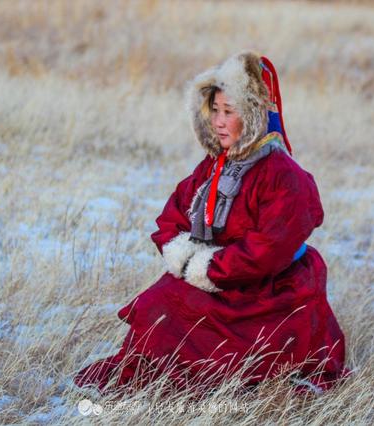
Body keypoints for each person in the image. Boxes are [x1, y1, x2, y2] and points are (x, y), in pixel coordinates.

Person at [74, 51, 348, 396]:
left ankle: (225, 377)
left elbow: (269, 250)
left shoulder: (284, 176)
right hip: (218, 278)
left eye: (229, 112)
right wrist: (184, 257)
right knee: (155, 304)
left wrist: (210, 269)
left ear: (252, 115)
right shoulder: (213, 167)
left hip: (271, 291)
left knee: (234, 359)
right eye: (214, 111)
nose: (219, 121)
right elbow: (173, 215)